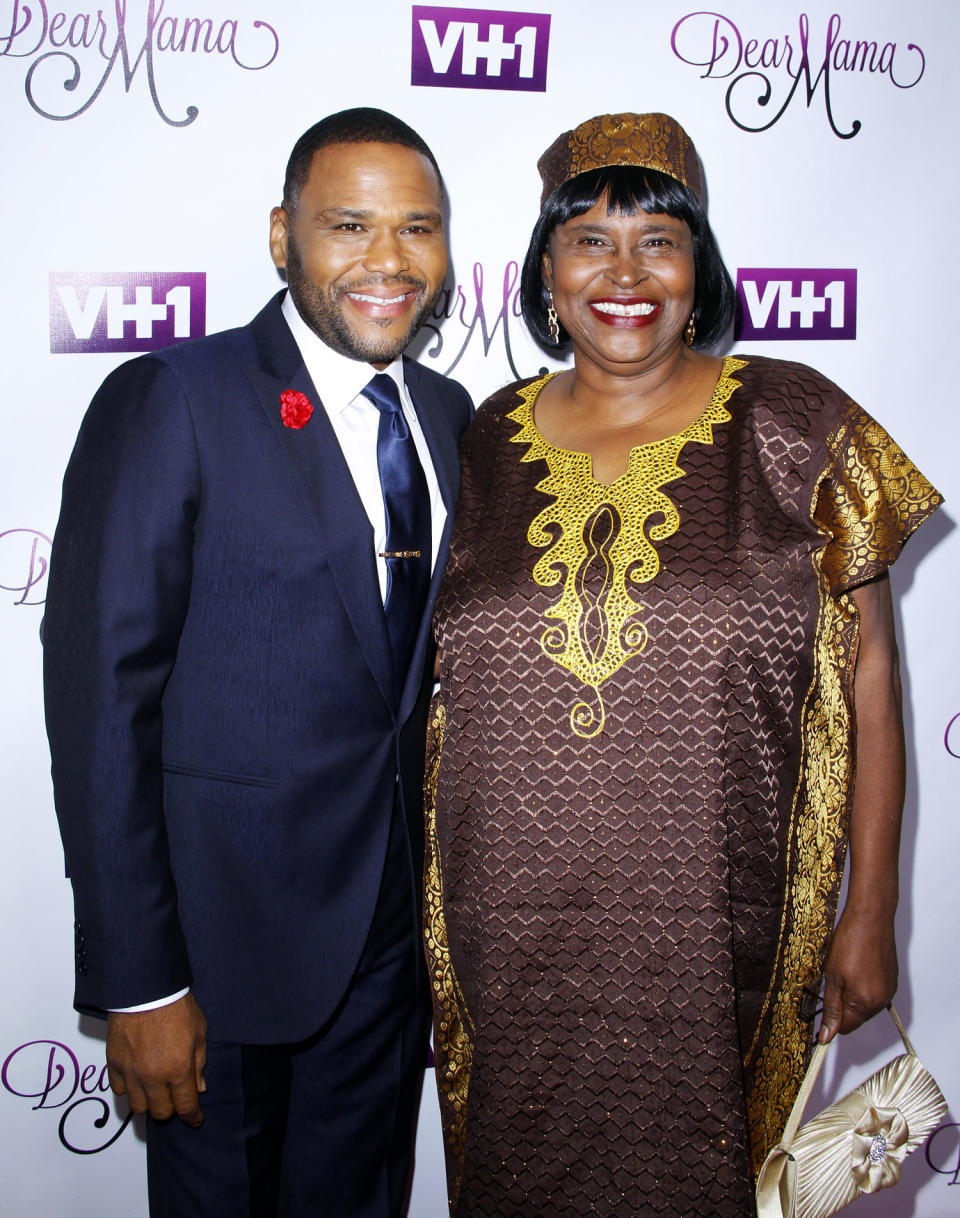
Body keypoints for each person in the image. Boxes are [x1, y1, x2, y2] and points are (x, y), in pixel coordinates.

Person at [422, 112, 941, 1216]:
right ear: (543, 270)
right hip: (506, 924)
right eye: (588, 241)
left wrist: (870, 911)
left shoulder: (797, 423)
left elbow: (874, 684)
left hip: (719, 922)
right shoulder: (476, 442)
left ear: (699, 266)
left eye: (659, 239)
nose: (625, 273)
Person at [43, 107, 472, 1217]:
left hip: (386, 960)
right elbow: (102, 705)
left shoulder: (448, 414)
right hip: (217, 964)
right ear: (282, 236)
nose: (389, 260)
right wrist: (142, 981)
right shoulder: (176, 397)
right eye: (349, 225)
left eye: (417, 228)